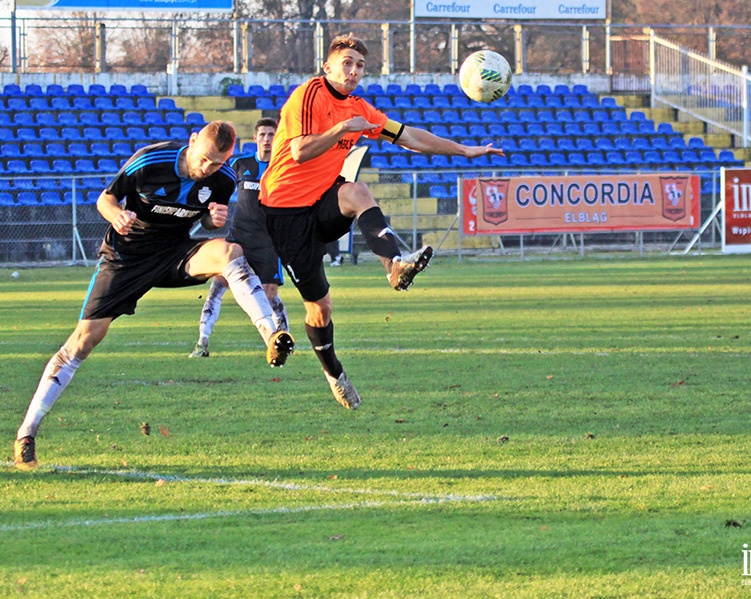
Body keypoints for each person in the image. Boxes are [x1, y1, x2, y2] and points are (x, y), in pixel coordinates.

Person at [12, 121, 294, 471]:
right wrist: (117, 215)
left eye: (218, 162)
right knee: (84, 340)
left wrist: (213, 220)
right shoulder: (149, 161)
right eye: (204, 159)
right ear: (192, 141)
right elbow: (106, 198)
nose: (208, 169)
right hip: (126, 258)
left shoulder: (222, 180)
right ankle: (27, 433)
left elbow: (206, 225)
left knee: (229, 252)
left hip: (173, 254)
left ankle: (272, 334)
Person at [260, 34, 503, 410]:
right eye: (347, 63)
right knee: (319, 308)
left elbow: (409, 137)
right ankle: (334, 374)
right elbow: (299, 151)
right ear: (327, 66)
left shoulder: (360, 108)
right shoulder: (309, 95)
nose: (354, 71)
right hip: (284, 211)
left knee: (358, 191)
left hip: (323, 201)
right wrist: (343, 128)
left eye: (359, 66)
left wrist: (464, 149)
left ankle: (394, 266)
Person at [189, 118, 290, 358]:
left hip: (267, 241)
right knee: (217, 286)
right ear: (255, 138)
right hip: (238, 237)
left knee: (269, 295)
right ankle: (202, 343)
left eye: (271, 135)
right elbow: (217, 183)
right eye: (262, 134)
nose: (267, 139)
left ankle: (283, 337)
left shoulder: (284, 168)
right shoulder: (240, 165)